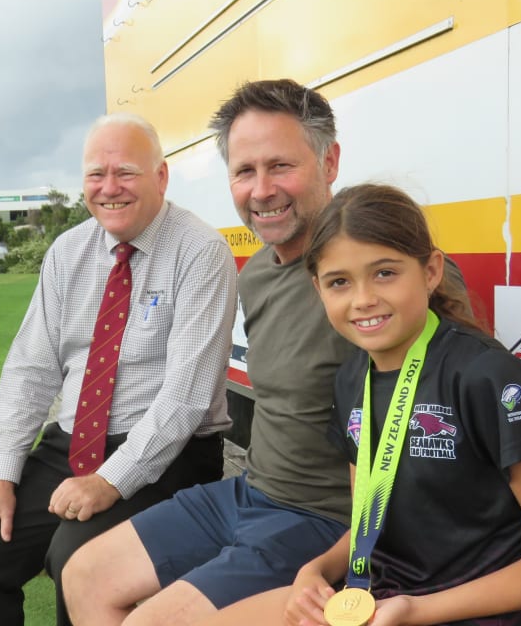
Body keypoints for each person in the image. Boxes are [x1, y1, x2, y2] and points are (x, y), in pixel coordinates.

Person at [195, 183, 521, 626]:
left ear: (430, 271)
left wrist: (419, 610)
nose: (364, 299)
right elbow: (372, 520)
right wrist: (315, 570)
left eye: (385, 273)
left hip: (466, 612)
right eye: (339, 282)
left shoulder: (485, 376)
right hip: (381, 599)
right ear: (318, 289)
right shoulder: (353, 377)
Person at [63, 79, 360, 625]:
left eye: (281, 166)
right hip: (250, 494)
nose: (262, 189)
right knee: (82, 574)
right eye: (245, 171)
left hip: (323, 520)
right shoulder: (260, 275)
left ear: (330, 161)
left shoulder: (370, 274)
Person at [0, 112, 238, 626]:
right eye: (95, 175)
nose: (109, 188)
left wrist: (110, 480)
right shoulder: (68, 251)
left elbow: (186, 398)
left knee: (75, 560)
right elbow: (30, 368)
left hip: (170, 454)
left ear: (161, 176)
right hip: (74, 444)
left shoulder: (200, 252)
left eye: (125, 172)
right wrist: (2, 476)